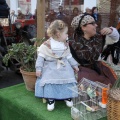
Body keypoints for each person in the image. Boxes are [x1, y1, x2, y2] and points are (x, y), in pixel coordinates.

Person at [35, 20, 79, 111]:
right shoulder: (46, 45)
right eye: (66, 33)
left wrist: (74, 65)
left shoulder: (65, 45)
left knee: (67, 78)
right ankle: (51, 98)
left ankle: (67, 96)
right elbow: (40, 58)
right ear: (58, 34)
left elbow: (69, 56)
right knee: (50, 81)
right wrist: (38, 68)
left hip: (64, 66)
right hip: (51, 67)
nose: (67, 35)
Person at [70, 14, 119, 85]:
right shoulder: (71, 43)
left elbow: (116, 38)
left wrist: (111, 30)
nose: (96, 25)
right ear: (83, 27)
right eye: (92, 23)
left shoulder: (99, 37)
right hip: (83, 72)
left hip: (99, 69)